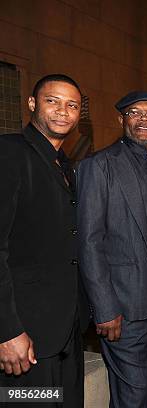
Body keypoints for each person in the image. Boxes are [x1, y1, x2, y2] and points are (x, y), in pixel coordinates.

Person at [77, 91, 147, 407]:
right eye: (135, 112)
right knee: (133, 396)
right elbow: (89, 242)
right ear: (121, 119)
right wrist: (104, 308)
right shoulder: (99, 166)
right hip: (123, 311)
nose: (144, 119)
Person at [0, 74, 84, 406]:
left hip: (64, 329)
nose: (63, 111)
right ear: (32, 104)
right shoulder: (9, 153)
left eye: (72, 105)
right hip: (25, 334)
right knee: (28, 402)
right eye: (53, 101)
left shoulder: (64, 163)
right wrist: (6, 331)